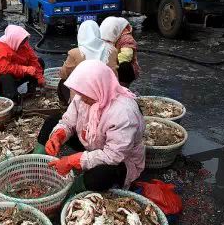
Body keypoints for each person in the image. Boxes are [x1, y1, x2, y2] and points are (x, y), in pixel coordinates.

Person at [35, 60, 145, 192]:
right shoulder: (83, 96)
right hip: (92, 142)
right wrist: (58, 136)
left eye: (85, 94)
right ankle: (36, 164)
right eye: (80, 93)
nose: (82, 98)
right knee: (52, 121)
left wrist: (73, 160)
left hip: (120, 160)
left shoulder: (123, 113)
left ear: (98, 86)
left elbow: (113, 156)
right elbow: (68, 122)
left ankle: (73, 191)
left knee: (100, 175)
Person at [58, 20, 118, 104]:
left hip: (84, 98)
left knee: (62, 83)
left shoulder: (75, 53)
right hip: (109, 93)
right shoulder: (112, 50)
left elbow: (64, 74)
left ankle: (67, 106)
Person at [0, 25, 45, 102]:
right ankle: (12, 99)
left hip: (18, 74)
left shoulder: (22, 43)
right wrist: (25, 69)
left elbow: (33, 59)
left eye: (24, 41)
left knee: (39, 61)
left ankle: (32, 90)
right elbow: (4, 69)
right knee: (6, 77)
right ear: (15, 40)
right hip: (2, 80)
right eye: (22, 42)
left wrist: (39, 78)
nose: (24, 44)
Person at [100, 17, 140, 88]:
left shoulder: (127, 39)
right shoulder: (115, 36)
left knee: (123, 67)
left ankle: (123, 88)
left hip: (126, 69)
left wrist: (111, 62)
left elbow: (126, 56)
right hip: (114, 65)